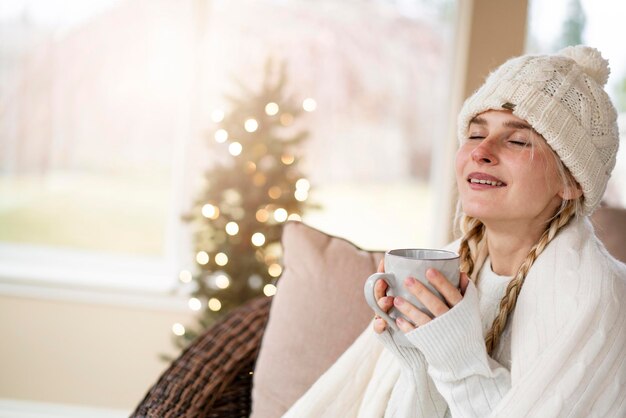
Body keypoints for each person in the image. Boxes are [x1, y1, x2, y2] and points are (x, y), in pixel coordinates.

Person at [282, 45, 626, 417]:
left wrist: (458, 361)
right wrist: (417, 356)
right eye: (476, 135)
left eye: (517, 140)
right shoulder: (458, 259)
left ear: (572, 182)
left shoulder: (591, 296)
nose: (481, 152)